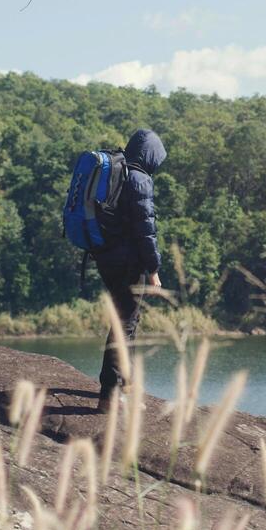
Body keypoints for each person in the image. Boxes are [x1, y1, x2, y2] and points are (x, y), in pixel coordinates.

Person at [92, 128, 167, 413]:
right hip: (127, 263)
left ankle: (127, 386)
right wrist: (153, 269)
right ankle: (109, 396)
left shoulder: (117, 173)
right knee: (125, 326)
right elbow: (146, 231)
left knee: (126, 321)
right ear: (150, 155)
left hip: (105, 257)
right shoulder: (139, 179)